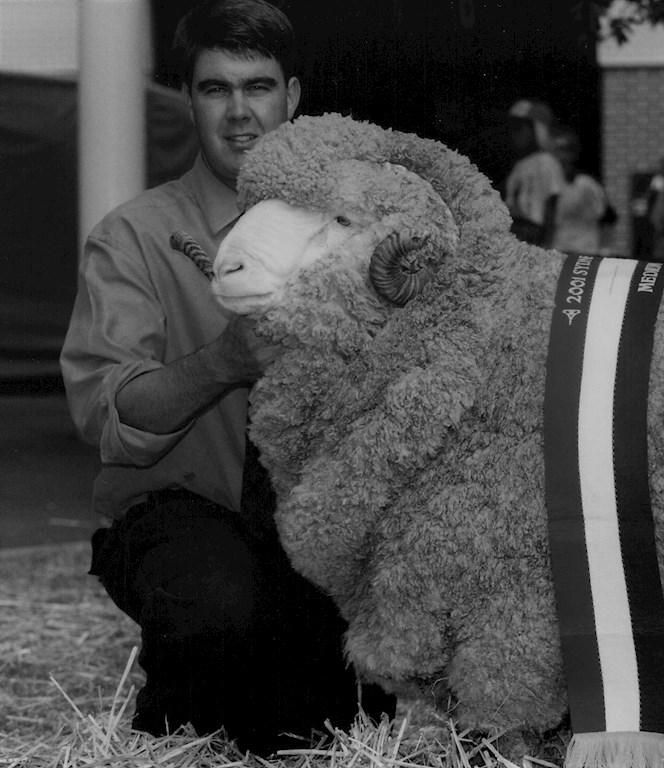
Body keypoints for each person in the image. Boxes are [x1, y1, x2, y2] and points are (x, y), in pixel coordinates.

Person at [59, 0, 394, 755]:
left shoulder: (351, 229)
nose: (241, 112)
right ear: (189, 99)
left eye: (259, 86)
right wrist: (224, 363)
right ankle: (166, 736)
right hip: (180, 507)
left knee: (319, 718)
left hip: (313, 520)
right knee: (214, 608)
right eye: (216, 89)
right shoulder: (132, 238)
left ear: (294, 98)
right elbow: (106, 411)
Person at [543, 124, 614, 256]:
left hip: (584, 254)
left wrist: (605, 249)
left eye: (563, 150)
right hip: (558, 252)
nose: (559, 156)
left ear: (573, 154)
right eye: (554, 151)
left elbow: (608, 217)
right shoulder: (550, 185)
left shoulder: (586, 185)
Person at [503, 98, 565, 244]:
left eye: (519, 128)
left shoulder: (546, 162)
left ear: (537, 131)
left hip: (533, 233)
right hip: (516, 229)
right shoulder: (520, 164)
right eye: (512, 129)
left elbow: (552, 205)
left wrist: (548, 244)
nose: (514, 135)